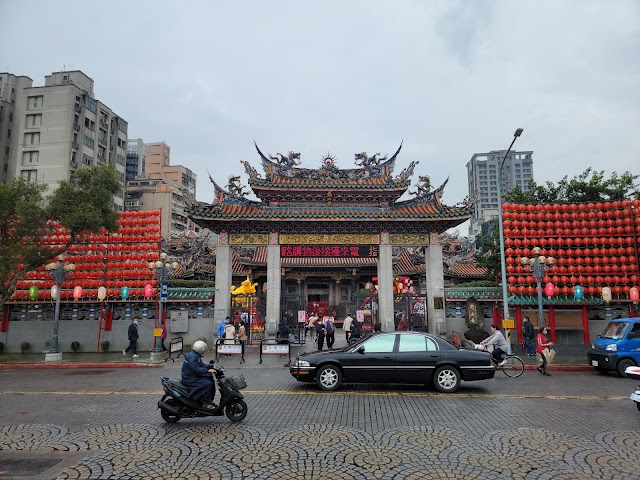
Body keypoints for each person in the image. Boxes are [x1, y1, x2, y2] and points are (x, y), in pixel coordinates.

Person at [181, 340, 217, 409]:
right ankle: (205, 403)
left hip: (193, 376)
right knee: (208, 383)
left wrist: (211, 366)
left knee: (209, 378)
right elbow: (196, 369)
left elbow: (201, 365)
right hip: (190, 379)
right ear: (201, 349)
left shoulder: (195, 355)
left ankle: (206, 400)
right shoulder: (193, 356)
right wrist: (208, 370)